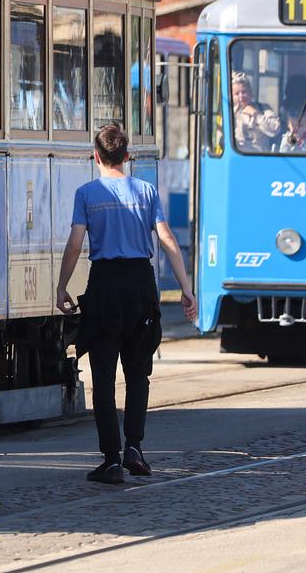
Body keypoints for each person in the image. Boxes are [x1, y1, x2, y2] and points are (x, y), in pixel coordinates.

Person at [57, 122, 198, 484]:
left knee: (103, 377)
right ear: (127, 156)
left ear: (96, 156)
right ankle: (135, 447)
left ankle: (111, 459)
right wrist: (186, 287)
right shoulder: (146, 191)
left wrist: (62, 287)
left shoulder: (87, 193)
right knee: (139, 373)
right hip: (140, 286)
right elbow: (166, 239)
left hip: (105, 285)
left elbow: (75, 244)